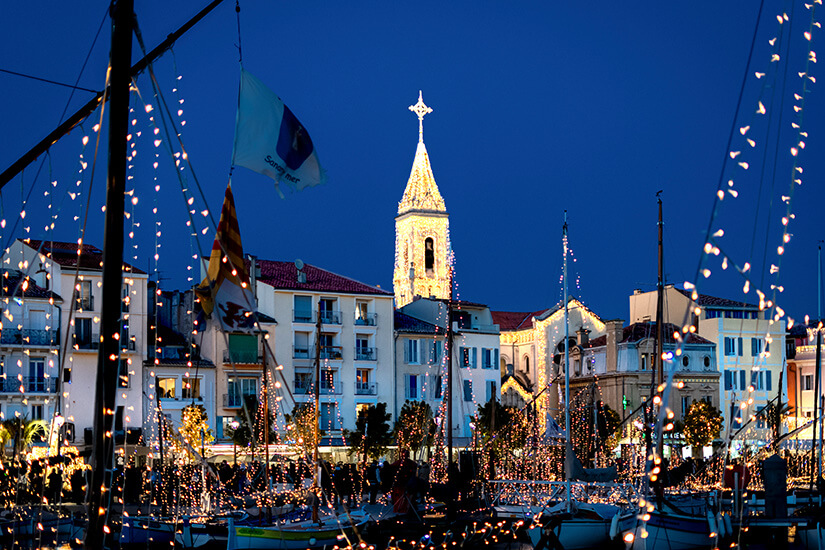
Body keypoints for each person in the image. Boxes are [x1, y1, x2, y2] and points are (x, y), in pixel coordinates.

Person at [390, 449, 416, 514]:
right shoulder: (400, 464)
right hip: (401, 484)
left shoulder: (407, 464)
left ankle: (402, 508)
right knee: (401, 497)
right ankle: (401, 508)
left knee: (403, 497)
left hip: (403, 484)